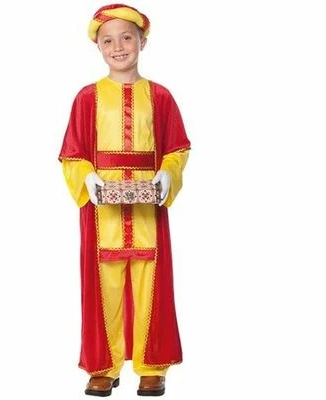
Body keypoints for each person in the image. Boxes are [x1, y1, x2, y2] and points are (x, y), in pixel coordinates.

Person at [58, 4, 191, 397]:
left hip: (148, 211)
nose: (118, 47)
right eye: (108, 41)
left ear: (142, 42)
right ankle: (104, 365)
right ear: (98, 47)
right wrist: (88, 176)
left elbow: (177, 147)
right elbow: (72, 153)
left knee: (151, 285)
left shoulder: (161, 96)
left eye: (126, 38)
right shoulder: (87, 98)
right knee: (105, 286)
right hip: (103, 213)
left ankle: (152, 366)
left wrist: (168, 173)